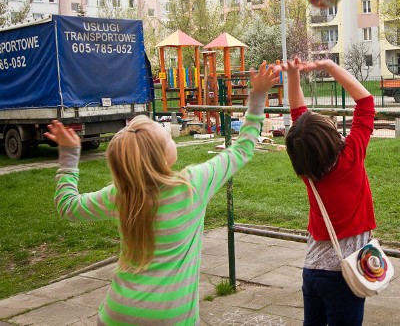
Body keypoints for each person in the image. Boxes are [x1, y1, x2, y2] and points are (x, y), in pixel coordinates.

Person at [44, 61, 279, 326]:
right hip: (170, 319)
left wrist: (69, 155)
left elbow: (68, 206)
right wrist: (257, 96)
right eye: (167, 137)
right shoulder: (192, 185)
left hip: (116, 314)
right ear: (160, 157)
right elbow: (243, 149)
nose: (171, 136)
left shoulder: (122, 195)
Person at [276, 57, 375, 326]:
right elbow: (365, 102)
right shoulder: (351, 158)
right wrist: (330, 67)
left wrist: (293, 76)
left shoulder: (307, 168)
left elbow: (299, 118)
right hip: (346, 271)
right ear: (332, 136)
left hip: (312, 269)